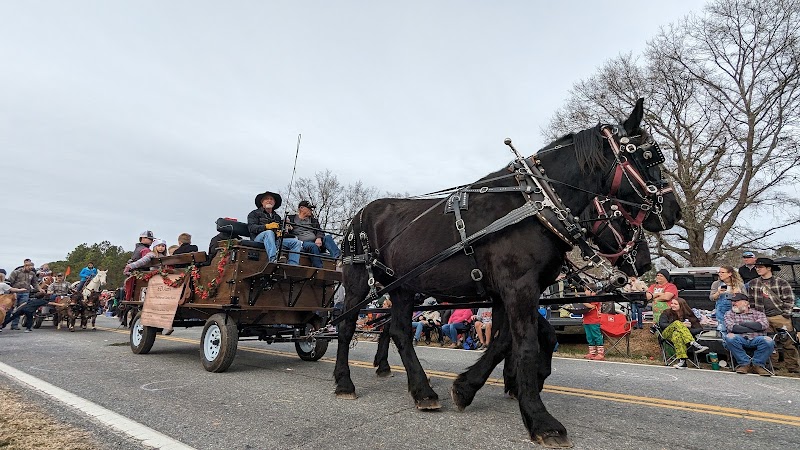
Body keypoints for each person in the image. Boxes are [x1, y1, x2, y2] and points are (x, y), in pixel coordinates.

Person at [747, 257, 800, 373]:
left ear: (769, 268)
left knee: (788, 342)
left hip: (780, 316)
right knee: (769, 342)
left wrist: (785, 314)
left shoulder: (781, 282)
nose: (757, 269)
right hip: (762, 317)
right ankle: (772, 365)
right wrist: (756, 316)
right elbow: (750, 301)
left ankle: (793, 367)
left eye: (760, 267)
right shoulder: (753, 283)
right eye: (756, 267)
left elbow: (790, 300)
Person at [247, 190, 303, 266]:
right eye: (267, 199)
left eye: (271, 199)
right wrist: (267, 227)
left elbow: (280, 231)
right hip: (258, 240)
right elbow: (251, 228)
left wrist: (283, 231)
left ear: (274, 203)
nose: (269, 200)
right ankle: (274, 259)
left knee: (296, 242)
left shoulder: (277, 217)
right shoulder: (254, 214)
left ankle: (293, 265)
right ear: (262, 202)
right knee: (269, 233)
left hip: (274, 241)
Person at [723, 293, 774, 376]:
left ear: (746, 303)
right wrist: (753, 327)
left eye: (736, 301)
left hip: (757, 338)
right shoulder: (729, 314)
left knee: (768, 341)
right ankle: (744, 364)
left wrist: (743, 323)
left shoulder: (758, 313)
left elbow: (762, 325)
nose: (733, 303)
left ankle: (758, 365)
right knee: (730, 337)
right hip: (740, 338)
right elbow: (732, 328)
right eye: (732, 301)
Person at [286, 200, 342, 267]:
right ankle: (319, 268)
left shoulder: (313, 220)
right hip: (302, 243)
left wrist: (318, 238)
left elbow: (319, 231)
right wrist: (287, 225)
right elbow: (285, 231)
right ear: (301, 208)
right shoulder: (290, 218)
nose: (311, 210)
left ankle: (338, 258)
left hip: (316, 242)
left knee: (328, 237)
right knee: (313, 246)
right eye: (309, 208)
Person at [658, 297, 709, 369]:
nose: (672, 305)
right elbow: (662, 325)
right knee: (677, 323)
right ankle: (693, 343)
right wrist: (681, 325)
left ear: (681, 305)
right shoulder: (666, 312)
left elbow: (699, 329)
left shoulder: (689, 314)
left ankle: (682, 362)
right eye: (672, 303)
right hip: (667, 334)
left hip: (681, 337)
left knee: (677, 334)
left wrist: (686, 329)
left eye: (675, 304)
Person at [5, 261, 44, 330]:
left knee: (20, 309)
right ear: (25, 266)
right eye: (29, 268)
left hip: (25, 292)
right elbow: (10, 282)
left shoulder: (32, 274)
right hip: (15, 292)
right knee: (10, 308)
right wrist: (11, 291)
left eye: (31, 268)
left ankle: (14, 325)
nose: (30, 269)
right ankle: (4, 323)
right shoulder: (16, 272)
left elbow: (35, 283)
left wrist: (40, 289)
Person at [709, 265, 745, 333]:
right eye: (719, 272)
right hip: (721, 312)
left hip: (736, 311)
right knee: (723, 329)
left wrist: (737, 294)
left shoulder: (739, 285)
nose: (720, 274)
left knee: (735, 330)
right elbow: (711, 298)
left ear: (730, 273)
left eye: (722, 272)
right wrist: (718, 292)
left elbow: (745, 299)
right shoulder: (716, 284)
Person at [581, 286, 604, 360]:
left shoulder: (595, 297)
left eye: (586, 290)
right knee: (589, 337)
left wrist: (583, 302)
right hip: (586, 320)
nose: (585, 292)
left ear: (590, 290)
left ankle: (600, 353)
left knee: (596, 336)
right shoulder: (587, 298)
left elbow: (592, 306)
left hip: (594, 320)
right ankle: (592, 352)